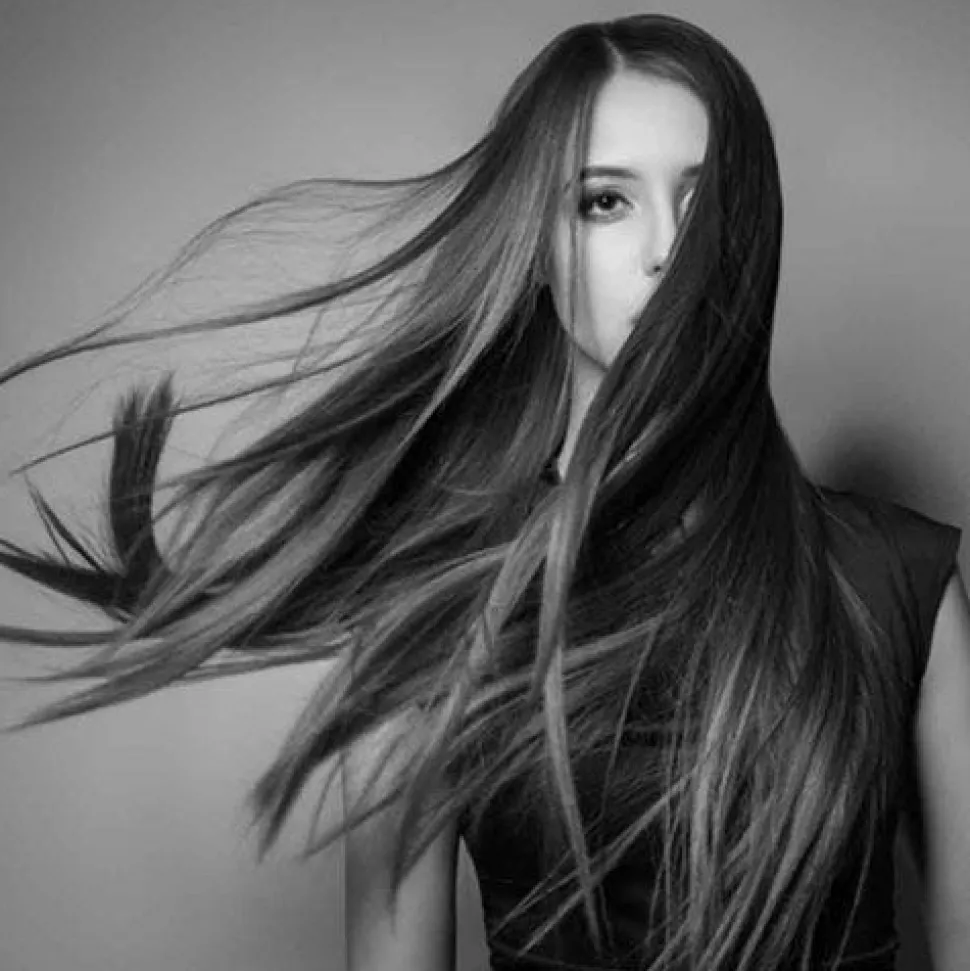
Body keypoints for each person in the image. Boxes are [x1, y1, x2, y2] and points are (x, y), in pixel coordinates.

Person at [1, 13, 968, 971]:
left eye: (704, 200)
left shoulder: (901, 582)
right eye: (604, 202)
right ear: (538, 247)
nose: (668, 249)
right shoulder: (432, 614)